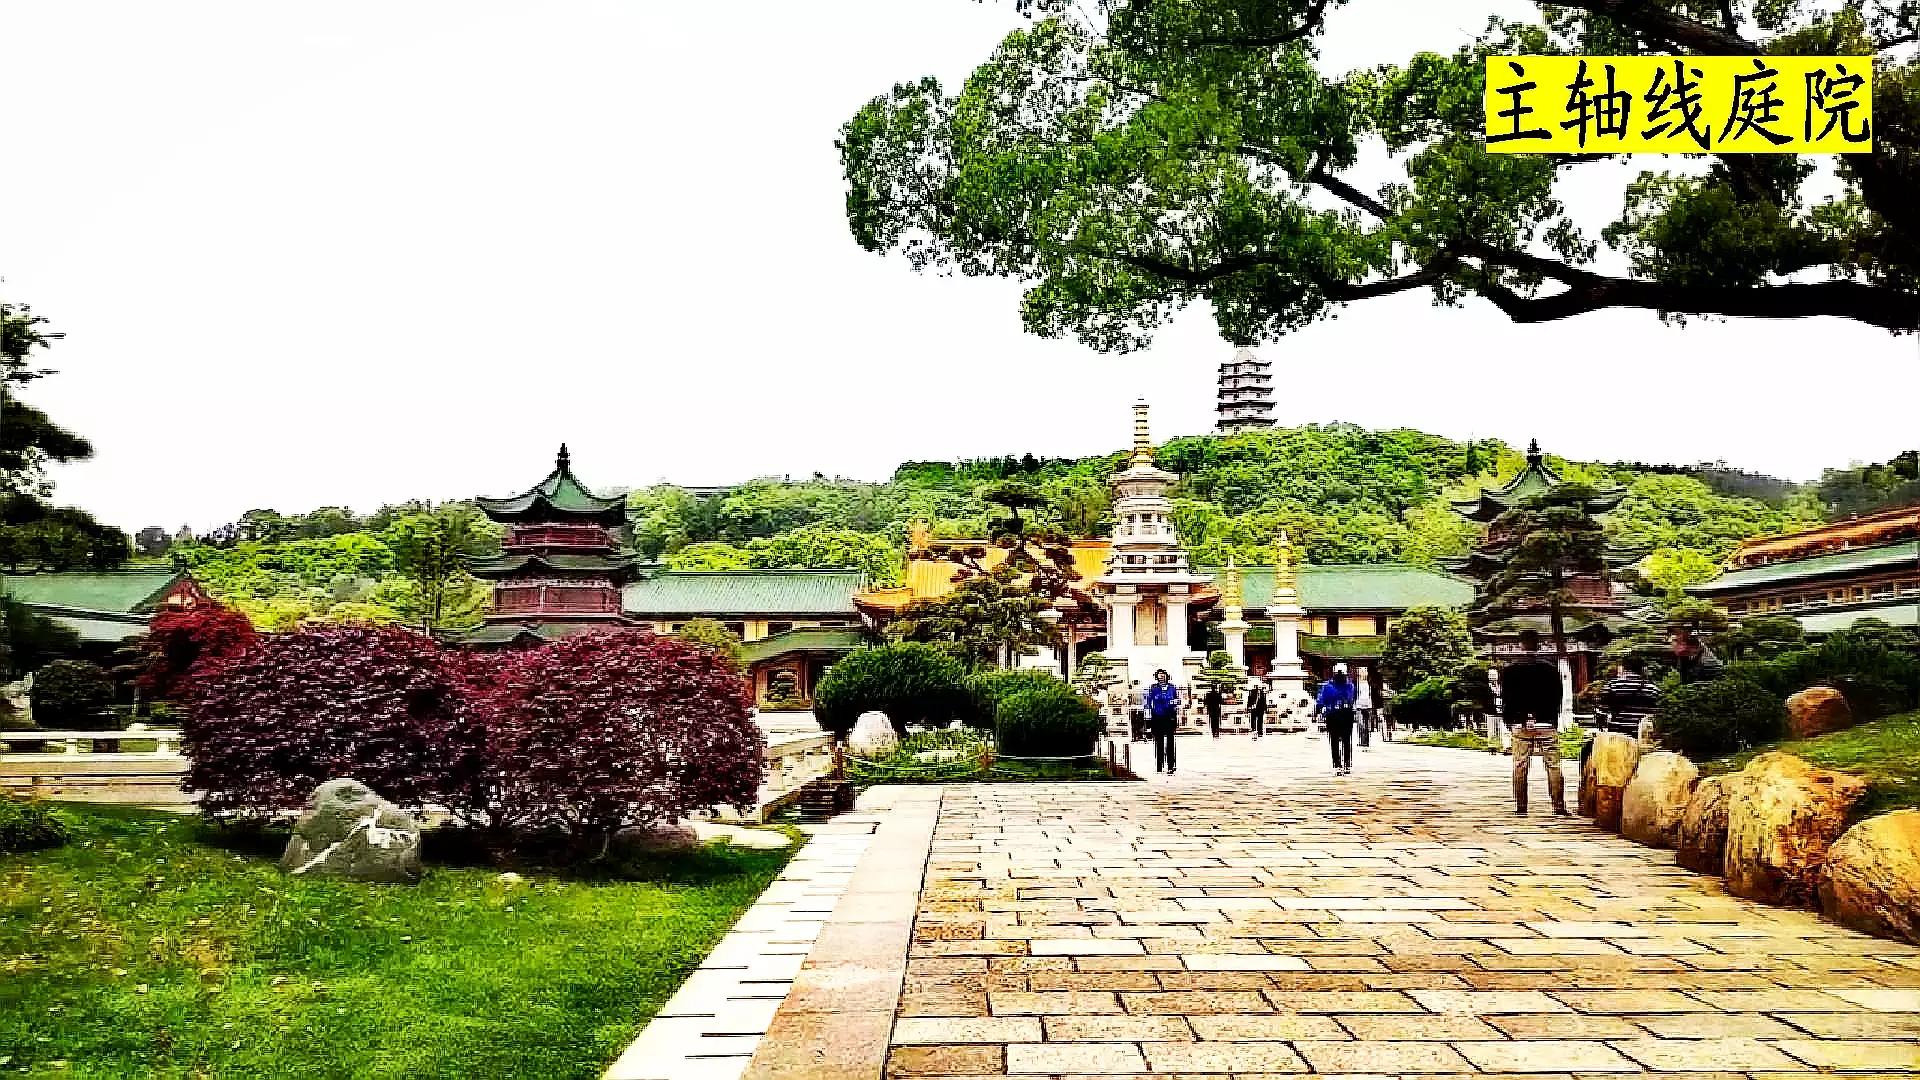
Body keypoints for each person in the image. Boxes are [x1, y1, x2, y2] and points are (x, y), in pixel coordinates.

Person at [1501, 629, 1568, 816]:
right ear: (1539, 644)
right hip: (1546, 723)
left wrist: (1514, 720)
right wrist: (1550, 718)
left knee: (1520, 765)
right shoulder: (1550, 668)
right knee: (1553, 765)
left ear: (1520, 645)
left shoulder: (1510, 670)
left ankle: (1521, 806)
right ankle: (1558, 805)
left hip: (1519, 724)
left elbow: (1507, 698)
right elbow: (1557, 697)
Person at [1598, 655, 1662, 740]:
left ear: (1623, 668)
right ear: (1643, 669)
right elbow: (1657, 713)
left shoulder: (1612, 686)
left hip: (1618, 735)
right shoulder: (1653, 689)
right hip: (1642, 735)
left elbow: (1602, 711)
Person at [1313, 664, 1359, 776]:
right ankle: (1343, 763)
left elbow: (1321, 700)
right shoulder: (1348, 686)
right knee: (1343, 740)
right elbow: (1352, 698)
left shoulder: (1330, 686)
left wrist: (1318, 711)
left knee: (1339, 740)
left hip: (1337, 714)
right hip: (1340, 714)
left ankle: (1341, 764)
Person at [1144, 669, 1181, 775]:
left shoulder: (1172, 688)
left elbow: (1176, 700)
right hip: (1157, 717)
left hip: (1169, 717)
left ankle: (1171, 765)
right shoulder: (1154, 688)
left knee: (1170, 742)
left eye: (1163, 676)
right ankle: (1159, 765)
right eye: (1159, 676)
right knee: (1159, 742)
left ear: (1166, 676)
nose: (1161, 678)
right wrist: (1148, 716)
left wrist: (1174, 702)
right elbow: (1149, 701)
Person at [1354, 675, 1375, 749]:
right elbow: (1354, 695)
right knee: (1360, 724)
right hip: (1359, 706)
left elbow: (1373, 694)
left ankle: (1366, 741)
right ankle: (1361, 740)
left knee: (1367, 725)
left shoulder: (1370, 683)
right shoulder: (1356, 684)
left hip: (1368, 706)